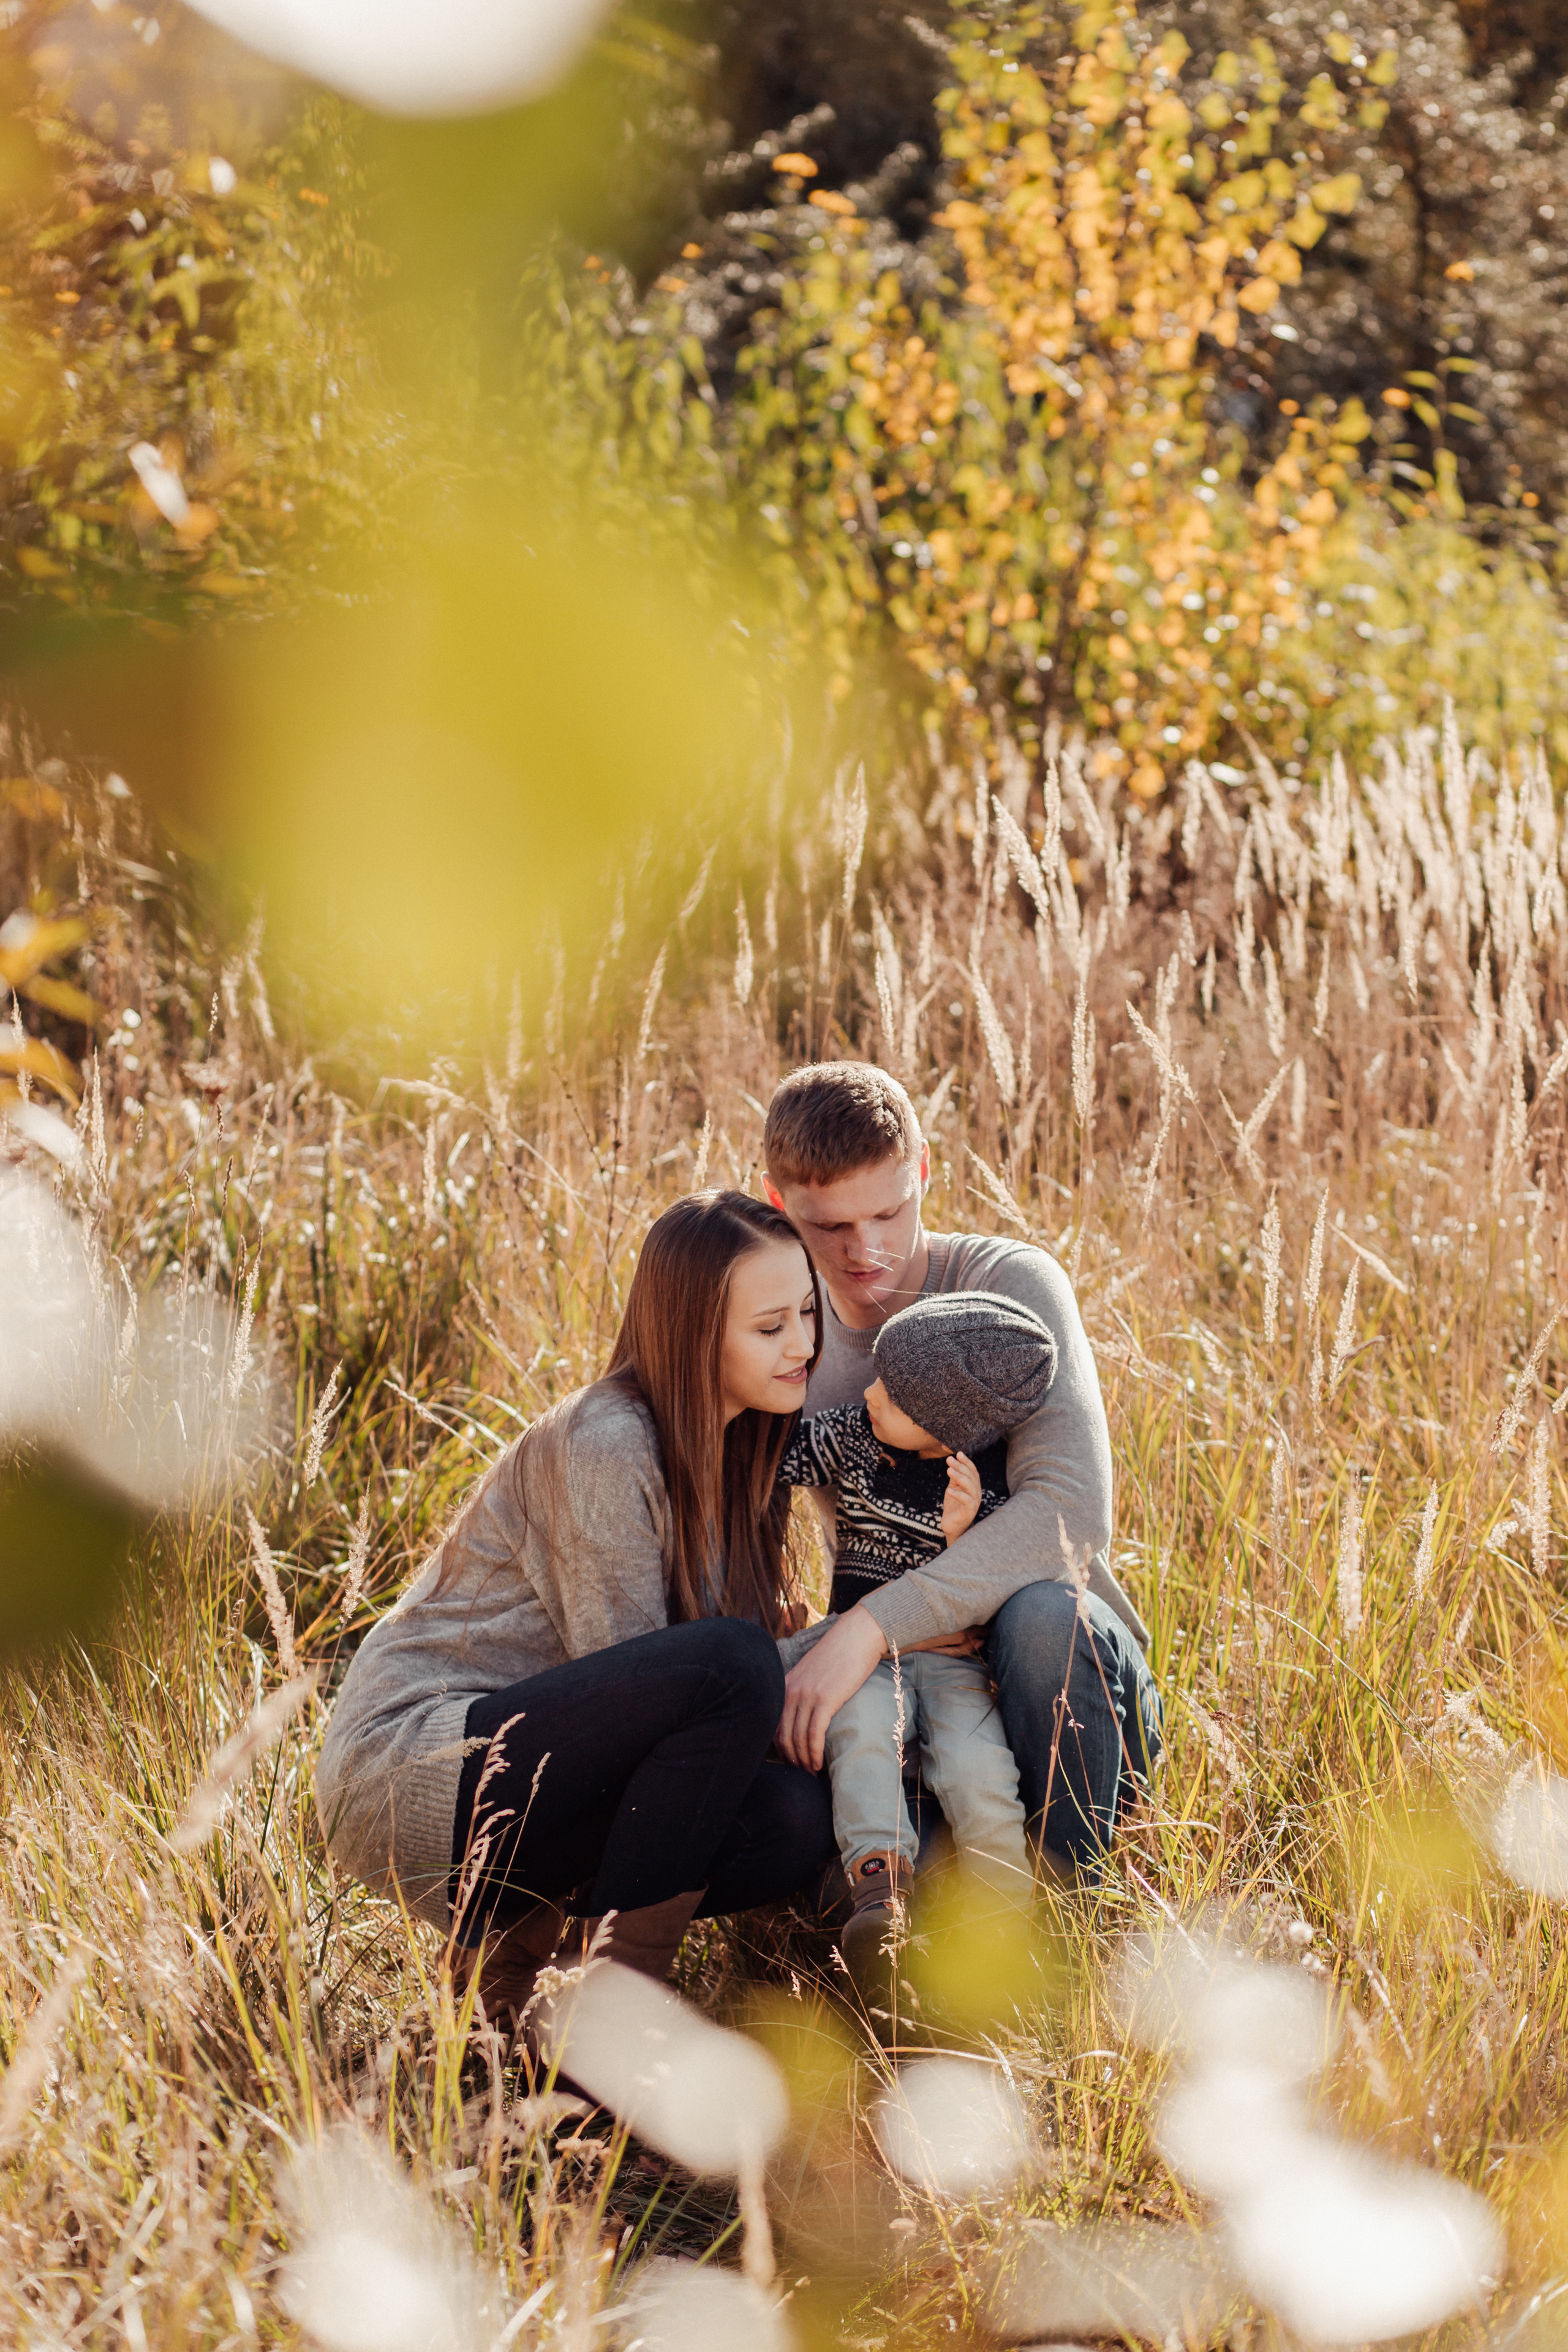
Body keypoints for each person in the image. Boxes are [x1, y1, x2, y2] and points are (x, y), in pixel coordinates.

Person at [314, 1189, 837, 2035]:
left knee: (791, 1821)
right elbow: (672, 1682)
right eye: (771, 1326)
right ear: (694, 1332)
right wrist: (849, 1643)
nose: (805, 1345)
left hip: (535, 1784)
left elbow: (690, 1732)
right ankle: (607, 2032)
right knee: (737, 1663)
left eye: (808, 1313)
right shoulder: (607, 1443)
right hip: (415, 1770)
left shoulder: (743, 1451)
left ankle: (523, 1988)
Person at [763, 1062, 1163, 1875]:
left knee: (1045, 1617)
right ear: (776, 1203)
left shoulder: (1005, 1285)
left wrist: (871, 1626)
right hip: (904, 1692)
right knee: (833, 1849)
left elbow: (1069, 1514)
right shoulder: (777, 1326)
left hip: (1057, 1686)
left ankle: (1069, 1910)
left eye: (888, 1211)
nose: (866, 1250)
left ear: (923, 1170)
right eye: (829, 1226)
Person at [781, 1289, 1059, 2005]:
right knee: (863, 1742)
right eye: (878, 1377)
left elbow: (990, 1587)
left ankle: (1004, 1924)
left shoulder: (984, 1484)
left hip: (953, 1663)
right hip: (862, 1658)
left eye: (895, 1395)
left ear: (946, 1429)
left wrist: (964, 1532)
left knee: (979, 1770)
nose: (870, 1394)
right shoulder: (853, 1434)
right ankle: (880, 1901)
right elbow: (775, 1460)